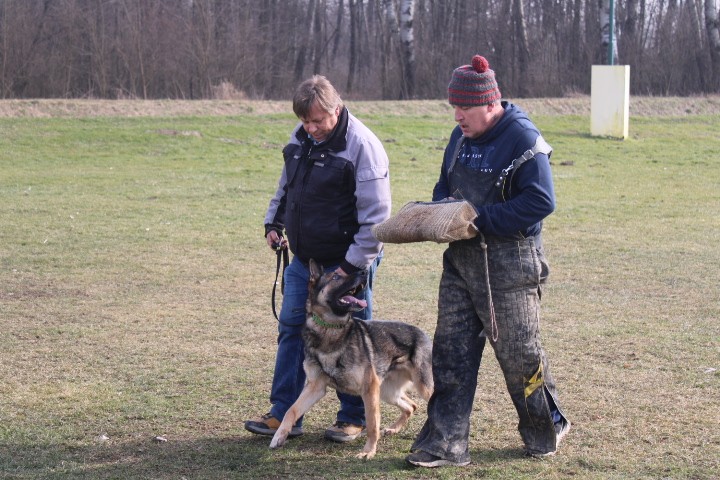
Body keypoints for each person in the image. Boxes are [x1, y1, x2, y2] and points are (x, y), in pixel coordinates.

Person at [405, 55, 570, 468]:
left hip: (510, 262)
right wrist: (441, 212)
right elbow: (446, 184)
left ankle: (543, 429)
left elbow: (541, 200)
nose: (458, 115)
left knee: (520, 357)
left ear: (490, 103)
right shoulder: (459, 137)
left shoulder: (522, 138)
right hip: (461, 260)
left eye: (465, 108)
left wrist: (480, 220)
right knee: (450, 354)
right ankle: (445, 443)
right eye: (454, 108)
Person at [245, 75, 391, 443]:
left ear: (336, 110)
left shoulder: (362, 146)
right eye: (305, 121)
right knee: (292, 329)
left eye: (317, 122)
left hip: (348, 264)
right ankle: (283, 414)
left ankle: (353, 417)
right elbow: (287, 185)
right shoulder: (301, 139)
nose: (310, 129)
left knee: (353, 336)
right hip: (306, 261)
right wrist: (274, 222)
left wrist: (351, 266)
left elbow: (376, 218)